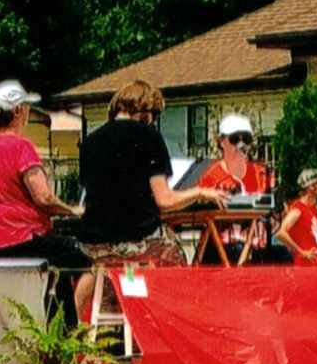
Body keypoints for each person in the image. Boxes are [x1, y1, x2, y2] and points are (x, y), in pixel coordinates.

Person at [70, 80, 225, 310]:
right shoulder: (148, 137)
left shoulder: (91, 141)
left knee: (102, 267)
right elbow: (165, 201)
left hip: (93, 243)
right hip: (138, 239)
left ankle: (84, 328)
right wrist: (200, 192)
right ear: (147, 112)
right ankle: (161, 319)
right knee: (176, 257)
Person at [0, 80, 89, 319]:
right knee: (84, 260)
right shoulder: (21, 146)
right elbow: (44, 197)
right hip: (19, 236)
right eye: (26, 107)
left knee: (58, 262)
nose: (29, 112)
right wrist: (73, 210)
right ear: (16, 111)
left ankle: (53, 326)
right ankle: (68, 334)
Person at [195, 113, 278, 262]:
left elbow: (273, 211)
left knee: (284, 256)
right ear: (221, 142)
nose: (241, 145)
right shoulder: (212, 174)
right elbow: (200, 210)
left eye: (246, 139)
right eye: (234, 139)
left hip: (257, 245)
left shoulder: (260, 172)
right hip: (222, 245)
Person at [276, 168, 317, 266]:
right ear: (311, 187)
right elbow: (280, 232)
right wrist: (301, 252)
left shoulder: (314, 207)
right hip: (306, 267)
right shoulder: (298, 210)